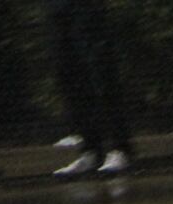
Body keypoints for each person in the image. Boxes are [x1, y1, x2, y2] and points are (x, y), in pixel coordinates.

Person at [45, 0, 134, 178]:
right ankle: (90, 150)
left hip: (87, 7)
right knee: (69, 78)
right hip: (57, 8)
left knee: (100, 74)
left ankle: (120, 149)